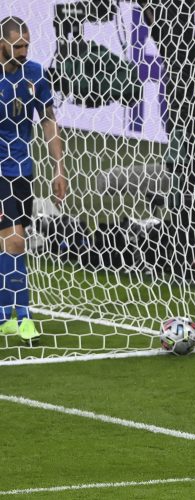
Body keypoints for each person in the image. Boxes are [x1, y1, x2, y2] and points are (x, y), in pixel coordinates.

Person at [0, 17, 67, 342]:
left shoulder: (35, 74)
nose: (24, 51)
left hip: (23, 171)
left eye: (27, 45)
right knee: (15, 241)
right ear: (2, 43)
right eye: (18, 46)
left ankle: (4, 316)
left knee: (10, 243)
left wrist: (59, 169)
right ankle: (25, 318)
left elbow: (48, 122)